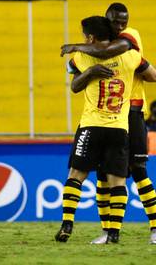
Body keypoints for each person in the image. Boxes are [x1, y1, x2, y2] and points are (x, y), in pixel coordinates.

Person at [55, 15, 156, 244]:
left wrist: (87, 67)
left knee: (77, 175)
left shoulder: (83, 57)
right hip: (120, 127)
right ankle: (112, 232)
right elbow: (151, 74)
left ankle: (67, 224)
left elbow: (71, 76)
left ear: (90, 37)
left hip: (94, 125)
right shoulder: (132, 56)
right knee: (115, 181)